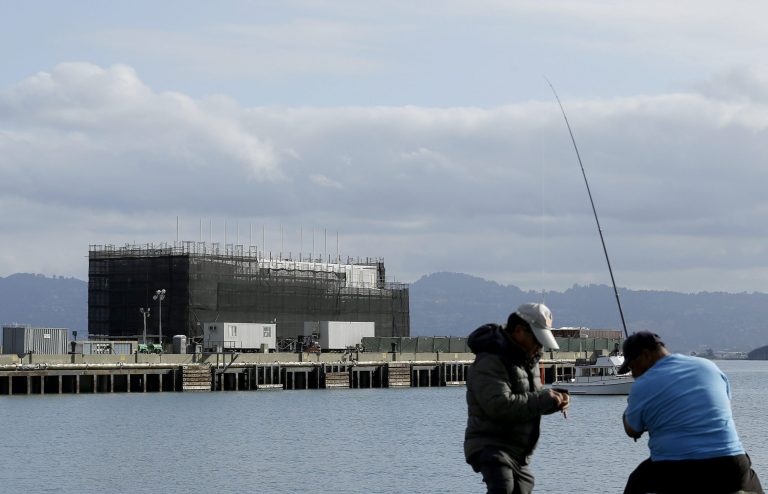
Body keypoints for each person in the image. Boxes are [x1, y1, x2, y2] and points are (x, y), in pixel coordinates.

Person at [621, 331, 763, 494]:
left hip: (677, 470)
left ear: (645, 355)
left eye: (632, 367)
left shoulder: (642, 385)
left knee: (636, 482)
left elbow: (632, 430)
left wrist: (629, 410)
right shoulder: (708, 366)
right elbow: (722, 406)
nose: (633, 375)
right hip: (731, 466)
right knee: (750, 477)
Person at [464, 302, 570, 494]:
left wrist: (554, 402)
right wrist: (545, 399)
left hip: (517, 451)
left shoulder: (529, 360)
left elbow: (529, 401)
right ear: (520, 331)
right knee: (503, 488)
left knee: (524, 487)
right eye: (537, 339)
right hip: (490, 444)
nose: (539, 346)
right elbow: (499, 405)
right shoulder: (490, 359)